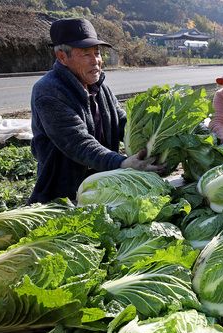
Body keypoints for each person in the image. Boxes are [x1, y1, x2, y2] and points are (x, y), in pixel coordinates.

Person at [29, 18, 159, 204]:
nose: (96, 61)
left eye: (97, 53)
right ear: (62, 57)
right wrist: (121, 163)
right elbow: (78, 142)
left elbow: (121, 122)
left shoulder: (98, 85)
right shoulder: (48, 92)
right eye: (86, 54)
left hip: (104, 184)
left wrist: (153, 137)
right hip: (65, 192)